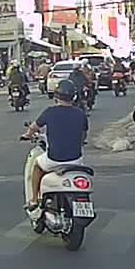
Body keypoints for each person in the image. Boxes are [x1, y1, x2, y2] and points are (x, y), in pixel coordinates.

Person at [21, 79, 89, 216]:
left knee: (37, 166)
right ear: (74, 97)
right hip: (76, 161)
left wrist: (28, 135)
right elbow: (83, 135)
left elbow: (33, 128)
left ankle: (34, 199)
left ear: (56, 96)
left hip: (54, 159)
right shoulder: (80, 113)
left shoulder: (49, 112)